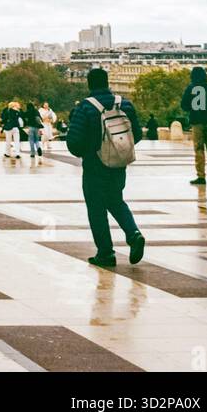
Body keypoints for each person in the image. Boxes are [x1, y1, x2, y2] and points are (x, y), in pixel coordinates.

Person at [66, 67, 145, 268]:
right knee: (116, 201)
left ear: (89, 84)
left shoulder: (85, 107)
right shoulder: (124, 103)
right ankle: (133, 233)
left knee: (96, 208)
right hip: (118, 164)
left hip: (94, 164)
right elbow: (136, 133)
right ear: (108, 82)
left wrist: (89, 151)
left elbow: (74, 142)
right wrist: (117, 149)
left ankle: (106, 253)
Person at [181, 66, 207, 185]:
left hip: (197, 122)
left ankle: (201, 176)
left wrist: (193, 109)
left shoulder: (191, 88)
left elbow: (184, 105)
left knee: (199, 149)